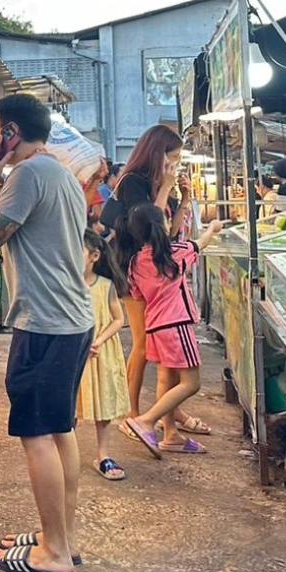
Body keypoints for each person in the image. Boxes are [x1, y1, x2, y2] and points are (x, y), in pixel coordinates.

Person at [0, 93, 92, 572]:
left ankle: (55, 553)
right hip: (71, 319)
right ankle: (60, 537)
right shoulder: (61, 172)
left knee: (36, 433)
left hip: (45, 323)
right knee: (60, 429)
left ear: (11, 134)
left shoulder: (25, 175)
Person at [102, 125, 207, 432]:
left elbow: (170, 233)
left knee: (165, 347)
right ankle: (130, 414)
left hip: (157, 276)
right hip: (133, 273)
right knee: (143, 346)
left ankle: (171, 414)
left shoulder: (161, 183)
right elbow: (149, 227)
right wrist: (165, 189)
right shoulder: (133, 182)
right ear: (156, 154)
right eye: (171, 158)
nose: (173, 165)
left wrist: (184, 198)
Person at [122, 204, 224, 458]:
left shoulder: (134, 263)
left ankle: (171, 435)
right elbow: (201, 243)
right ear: (163, 224)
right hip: (177, 325)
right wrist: (213, 227)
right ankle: (146, 421)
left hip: (155, 327)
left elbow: (138, 295)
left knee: (166, 379)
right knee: (191, 383)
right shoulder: (174, 252)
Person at [76, 229, 129, 482]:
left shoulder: (105, 286)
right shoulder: (67, 284)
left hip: (99, 352)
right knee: (70, 405)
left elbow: (119, 319)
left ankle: (103, 454)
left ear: (94, 256)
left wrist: (97, 341)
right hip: (74, 351)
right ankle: (65, 454)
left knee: (103, 405)